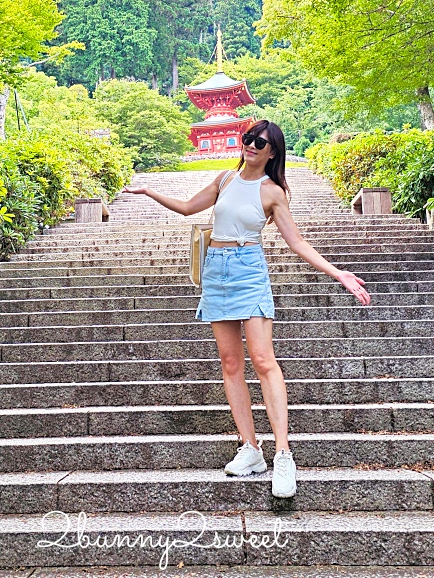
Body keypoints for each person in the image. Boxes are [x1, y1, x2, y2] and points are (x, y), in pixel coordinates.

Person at [123, 119, 371, 498]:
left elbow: (297, 242)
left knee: (263, 360)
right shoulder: (225, 179)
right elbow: (189, 208)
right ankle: (251, 448)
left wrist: (339, 274)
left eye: (260, 142)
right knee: (230, 363)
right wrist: (150, 191)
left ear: (272, 152)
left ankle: (283, 453)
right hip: (216, 271)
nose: (251, 145)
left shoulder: (272, 192)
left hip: (249, 270)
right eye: (248, 138)